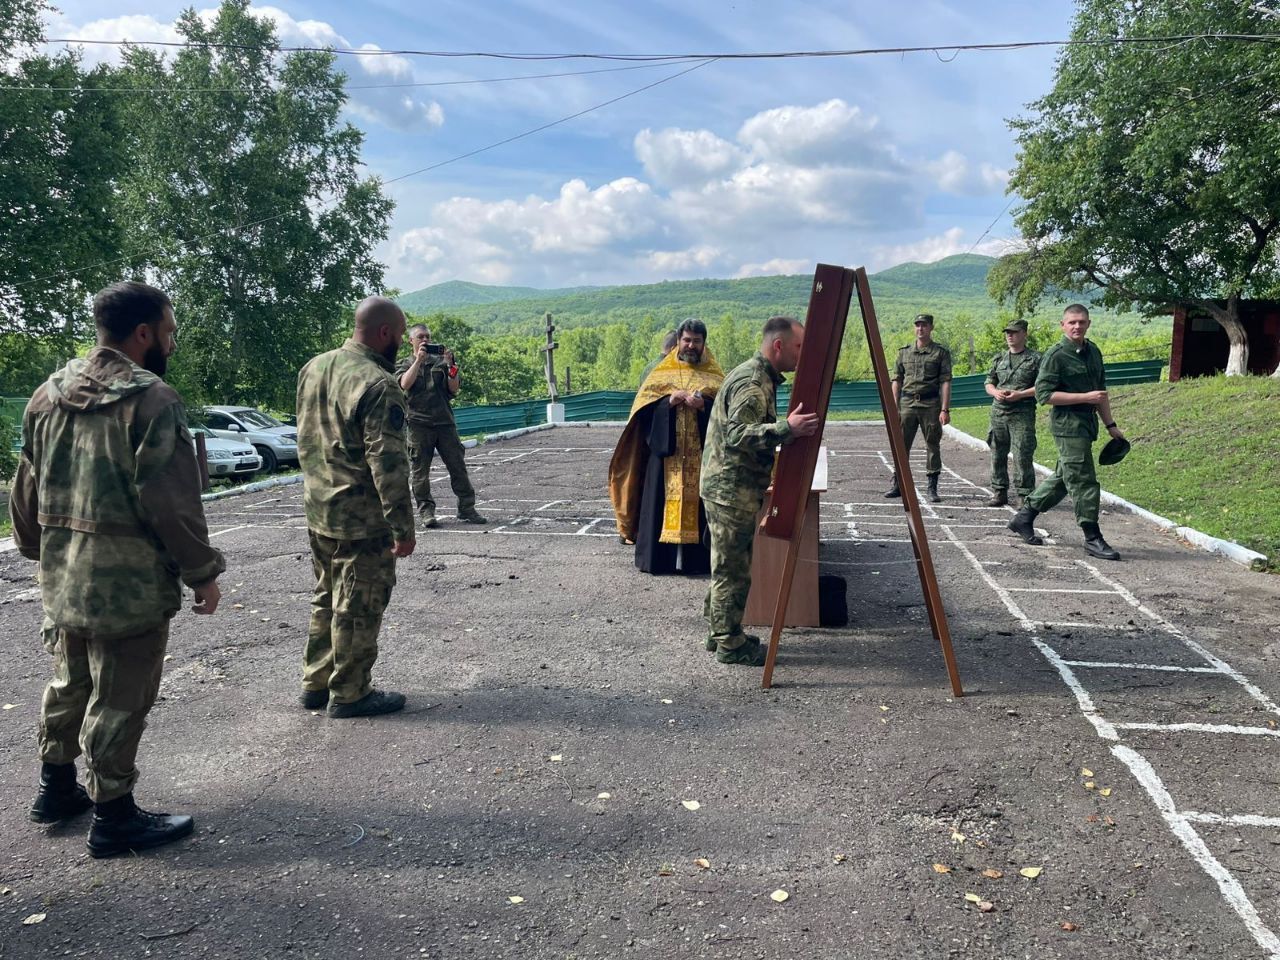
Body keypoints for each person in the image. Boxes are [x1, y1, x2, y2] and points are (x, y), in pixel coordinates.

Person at [11, 281, 225, 858]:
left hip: (64, 575)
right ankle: (114, 816)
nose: (172, 343)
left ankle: (55, 789)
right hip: (128, 582)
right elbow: (172, 501)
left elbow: (26, 485)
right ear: (143, 333)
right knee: (121, 696)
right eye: (169, 332)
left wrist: (35, 549)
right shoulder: (152, 400)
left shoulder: (46, 395)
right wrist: (202, 572)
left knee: (69, 680)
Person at [296, 296, 417, 718]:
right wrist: (402, 528)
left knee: (326, 596)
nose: (400, 343)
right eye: (400, 335)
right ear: (385, 333)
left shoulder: (315, 367)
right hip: (361, 519)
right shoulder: (379, 384)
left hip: (319, 509)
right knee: (359, 604)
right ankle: (350, 692)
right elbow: (388, 464)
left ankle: (316, 682)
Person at [700, 316, 820, 666]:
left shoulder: (757, 375)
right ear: (778, 346)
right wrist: (787, 429)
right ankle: (730, 645)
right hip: (730, 489)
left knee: (726, 564)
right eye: (798, 347)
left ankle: (720, 632)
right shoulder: (753, 382)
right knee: (732, 571)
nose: (802, 354)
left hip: (728, 486)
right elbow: (738, 434)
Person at [1009, 304, 1126, 560]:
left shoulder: (1093, 351)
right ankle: (1092, 537)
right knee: (1083, 479)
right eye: (1072, 322)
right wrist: (1084, 397)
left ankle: (1024, 518)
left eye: (1082, 322)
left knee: (1065, 477)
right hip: (1067, 425)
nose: (1077, 326)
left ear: (1088, 324)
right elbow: (1044, 395)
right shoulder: (1056, 355)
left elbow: (1100, 393)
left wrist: (1111, 425)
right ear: (1063, 325)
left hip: (1087, 424)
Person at [608, 319, 724, 573]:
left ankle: (696, 562)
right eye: (687, 340)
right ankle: (660, 560)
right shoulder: (660, 373)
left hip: (701, 457)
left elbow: (727, 414)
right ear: (678, 341)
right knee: (659, 503)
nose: (691, 345)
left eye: (696, 341)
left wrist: (704, 406)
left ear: (704, 343)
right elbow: (643, 414)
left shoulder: (715, 375)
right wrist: (668, 402)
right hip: (665, 457)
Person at [396, 324, 487, 528]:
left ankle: (467, 508)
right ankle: (426, 512)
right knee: (420, 472)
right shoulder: (405, 364)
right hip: (418, 424)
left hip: (444, 422)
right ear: (411, 340)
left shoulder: (440, 363)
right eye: (420, 337)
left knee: (458, 467)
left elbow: (453, 389)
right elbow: (404, 384)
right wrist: (418, 361)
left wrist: (451, 366)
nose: (425, 340)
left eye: (427, 336)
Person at [887, 314, 952, 503]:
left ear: (931, 327)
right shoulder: (904, 352)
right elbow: (896, 380)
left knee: (932, 444)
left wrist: (945, 409)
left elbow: (946, 381)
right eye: (917, 325)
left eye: (924, 325)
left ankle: (932, 487)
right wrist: (894, 406)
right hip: (907, 403)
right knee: (901, 445)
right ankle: (898, 484)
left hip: (930, 404)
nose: (920, 328)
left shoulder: (940, 353)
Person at [983, 319, 1041, 507]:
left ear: (1025, 334)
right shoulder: (999, 358)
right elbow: (989, 382)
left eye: (1014, 332)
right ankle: (999, 491)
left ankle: (1024, 494)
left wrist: (1021, 394)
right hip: (999, 412)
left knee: (1022, 453)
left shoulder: (1036, 359)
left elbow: (1043, 386)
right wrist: (995, 392)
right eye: (1008, 332)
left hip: (1022, 412)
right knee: (997, 452)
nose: (1010, 335)